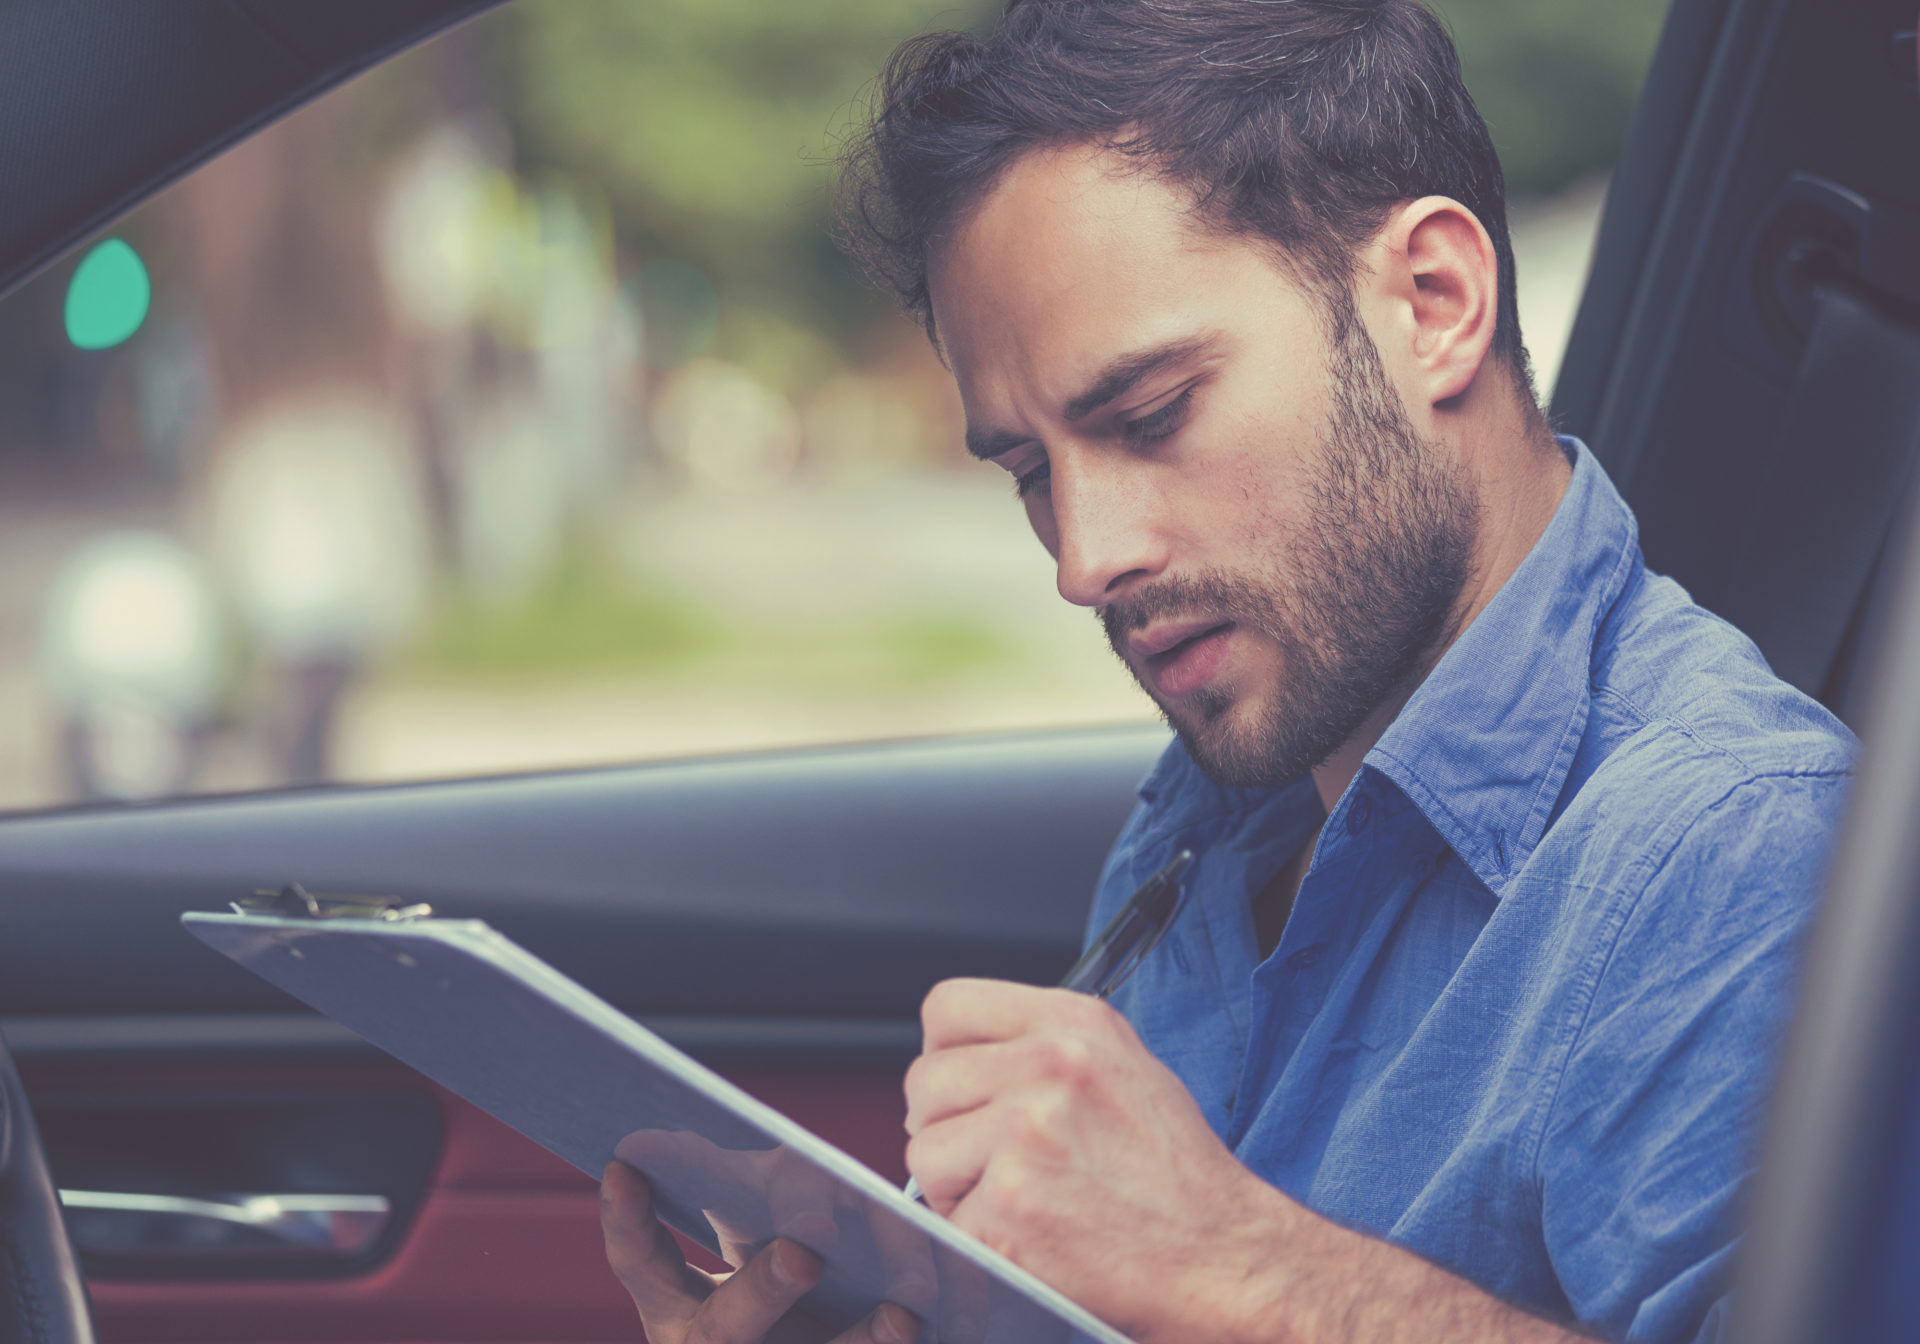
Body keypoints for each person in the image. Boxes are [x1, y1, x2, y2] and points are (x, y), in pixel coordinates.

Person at [598, 2, 1857, 1341]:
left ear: (1433, 303)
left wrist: (1243, 1266)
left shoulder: (1739, 858)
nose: (1085, 559)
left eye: (1150, 417)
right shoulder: (1213, 811)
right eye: (1030, 473)